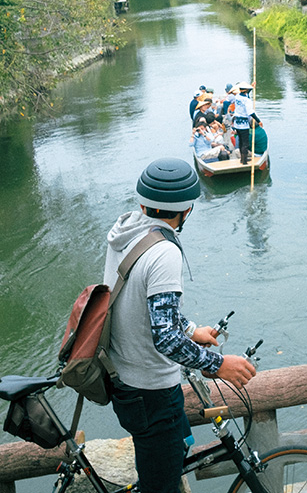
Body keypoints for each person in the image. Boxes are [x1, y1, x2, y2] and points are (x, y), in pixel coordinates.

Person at [104, 158, 256, 493]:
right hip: (150, 392)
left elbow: (143, 307)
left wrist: (191, 331)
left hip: (123, 382)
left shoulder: (125, 231)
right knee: (162, 484)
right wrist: (219, 365)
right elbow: (166, 339)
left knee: (167, 459)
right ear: (186, 210)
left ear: (144, 202)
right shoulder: (164, 253)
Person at [230, 83, 255, 165]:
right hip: (244, 125)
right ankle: (244, 161)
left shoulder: (237, 96)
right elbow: (250, 112)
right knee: (245, 143)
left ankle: (242, 159)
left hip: (237, 124)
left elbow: (246, 94)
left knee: (241, 141)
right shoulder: (247, 100)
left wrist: (251, 88)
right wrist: (259, 120)